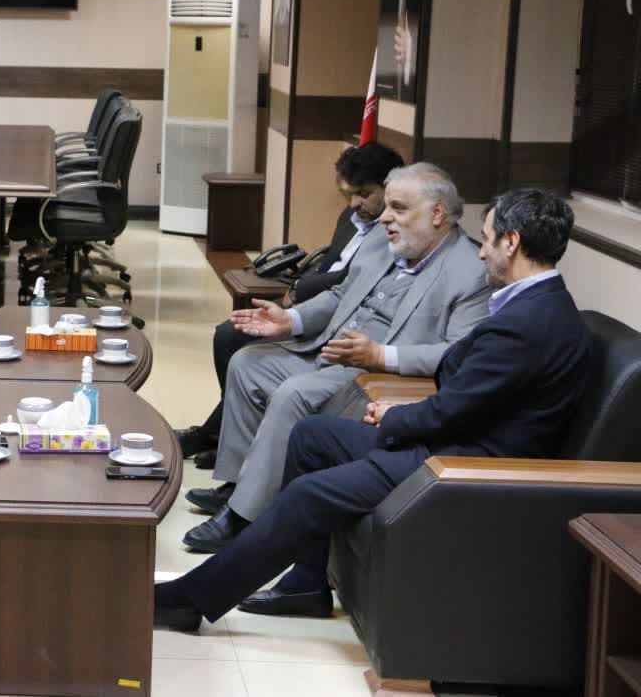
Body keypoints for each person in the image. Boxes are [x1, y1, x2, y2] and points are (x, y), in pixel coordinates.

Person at [155, 188, 591, 629]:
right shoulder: (539, 307)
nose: (481, 252)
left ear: (511, 243)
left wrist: (393, 416)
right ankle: (305, 584)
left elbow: (452, 412)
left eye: (488, 238)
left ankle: (192, 599)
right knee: (311, 434)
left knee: (309, 494)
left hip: (462, 464)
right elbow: (474, 397)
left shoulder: (526, 324)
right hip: (457, 441)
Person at [182, 163, 491, 553]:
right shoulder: (383, 241)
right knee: (248, 364)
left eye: (398, 208)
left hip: (376, 375)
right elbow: (340, 295)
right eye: (387, 206)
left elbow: (458, 352)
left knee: (294, 393)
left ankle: (245, 517)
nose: (385, 217)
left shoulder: (470, 270)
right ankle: (239, 485)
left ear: (437, 214)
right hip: (327, 350)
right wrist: (291, 320)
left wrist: (380, 354)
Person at [176, 142, 405, 467]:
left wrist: (299, 291)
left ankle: (215, 434)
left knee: (240, 344)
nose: (355, 203)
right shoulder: (351, 217)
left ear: (390, 187)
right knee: (229, 335)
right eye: (349, 194)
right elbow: (330, 263)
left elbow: (349, 283)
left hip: (342, 326)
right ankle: (229, 433)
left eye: (364, 194)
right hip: (315, 303)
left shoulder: (392, 235)